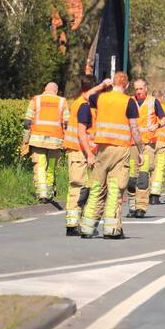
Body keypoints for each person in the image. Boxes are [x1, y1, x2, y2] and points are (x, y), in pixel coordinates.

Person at [78, 72, 143, 239]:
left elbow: (86, 96)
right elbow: (134, 129)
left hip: (101, 150)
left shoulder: (101, 98)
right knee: (115, 188)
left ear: (112, 83)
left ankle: (86, 227)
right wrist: (141, 150)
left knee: (97, 187)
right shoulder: (129, 102)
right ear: (127, 85)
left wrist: (101, 85)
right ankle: (111, 229)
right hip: (120, 150)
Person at [63, 75, 106, 236]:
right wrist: (89, 154)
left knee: (84, 188)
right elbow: (81, 133)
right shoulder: (83, 107)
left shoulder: (81, 102)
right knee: (78, 187)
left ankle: (77, 222)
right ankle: (72, 225)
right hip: (78, 152)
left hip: (80, 152)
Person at [21, 82, 69, 203]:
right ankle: (49, 191)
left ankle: (42, 195)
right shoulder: (62, 101)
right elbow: (67, 124)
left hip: (37, 141)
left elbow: (27, 122)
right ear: (56, 91)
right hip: (55, 142)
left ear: (44, 90)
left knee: (40, 165)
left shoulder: (36, 100)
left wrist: (25, 140)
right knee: (51, 165)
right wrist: (66, 142)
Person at [126, 79, 165, 218]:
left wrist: (157, 125)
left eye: (141, 89)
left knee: (143, 176)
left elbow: (164, 119)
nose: (138, 91)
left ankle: (141, 207)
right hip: (132, 145)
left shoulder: (153, 102)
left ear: (146, 89)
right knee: (131, 177)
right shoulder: (129, 101)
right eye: (136, 89)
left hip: (147, 145)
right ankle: (132, 206)